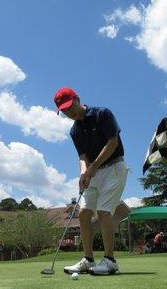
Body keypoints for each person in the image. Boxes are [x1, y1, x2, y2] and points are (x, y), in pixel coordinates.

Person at [54, 87, 128, 275]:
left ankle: (110, 261)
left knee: (103, 212)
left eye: (70, 106)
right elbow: (82, 156)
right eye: (63, 110)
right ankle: (88, 259)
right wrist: (83, 173)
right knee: (84, 213)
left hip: (114, 168)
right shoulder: (75, 131)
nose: (68, 112)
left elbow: (113, 143)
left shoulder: (102, 114)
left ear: (78, 99)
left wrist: (93, 167)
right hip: (95, 172)